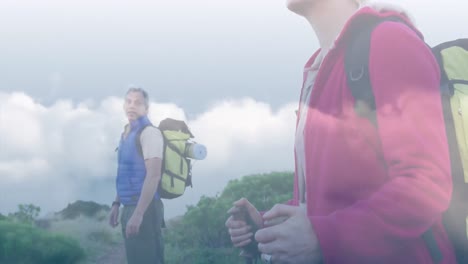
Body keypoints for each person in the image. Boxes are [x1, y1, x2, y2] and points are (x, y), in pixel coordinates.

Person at [226, 0, 457, 263]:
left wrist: (323, 237)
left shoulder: (390, 41)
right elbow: (332, 197)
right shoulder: (317, 70)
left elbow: (426, 184)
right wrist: (271, 227)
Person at [109, 87, 165, 264]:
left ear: (146, 109)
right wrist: (116, 203)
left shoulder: (149, 133)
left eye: (138, 102)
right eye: (128, 101)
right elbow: (126, 173)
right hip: (129, 206)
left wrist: (139, 214)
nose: (132, 106)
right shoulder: (126, 134)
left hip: (146, 208)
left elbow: (153, 175)